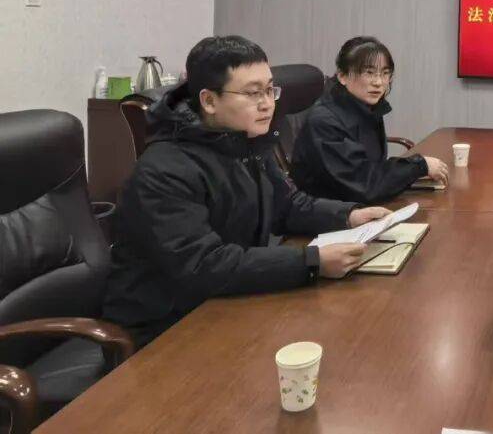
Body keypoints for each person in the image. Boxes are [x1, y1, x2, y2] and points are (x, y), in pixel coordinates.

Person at [104, 36, 390, 347]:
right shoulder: (164, 170)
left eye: (270, 90)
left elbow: (288, 206)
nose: (267, 103)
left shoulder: (245, 143)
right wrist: (311, 262)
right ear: (209, 101)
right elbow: (204, 265)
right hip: (166, 329)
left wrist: (349, 215)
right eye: (253, 93)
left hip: (227, 302)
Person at [290, 36, 449, 204]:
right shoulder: (324, 122)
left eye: (385, 73)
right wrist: (417, 166)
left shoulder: (365, 107)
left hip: (356, 205)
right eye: (369, 73)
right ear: (342, 76)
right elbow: (363, 185)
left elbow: (370, 170)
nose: (378, 82)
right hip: (327, 214)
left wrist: (410, 172)